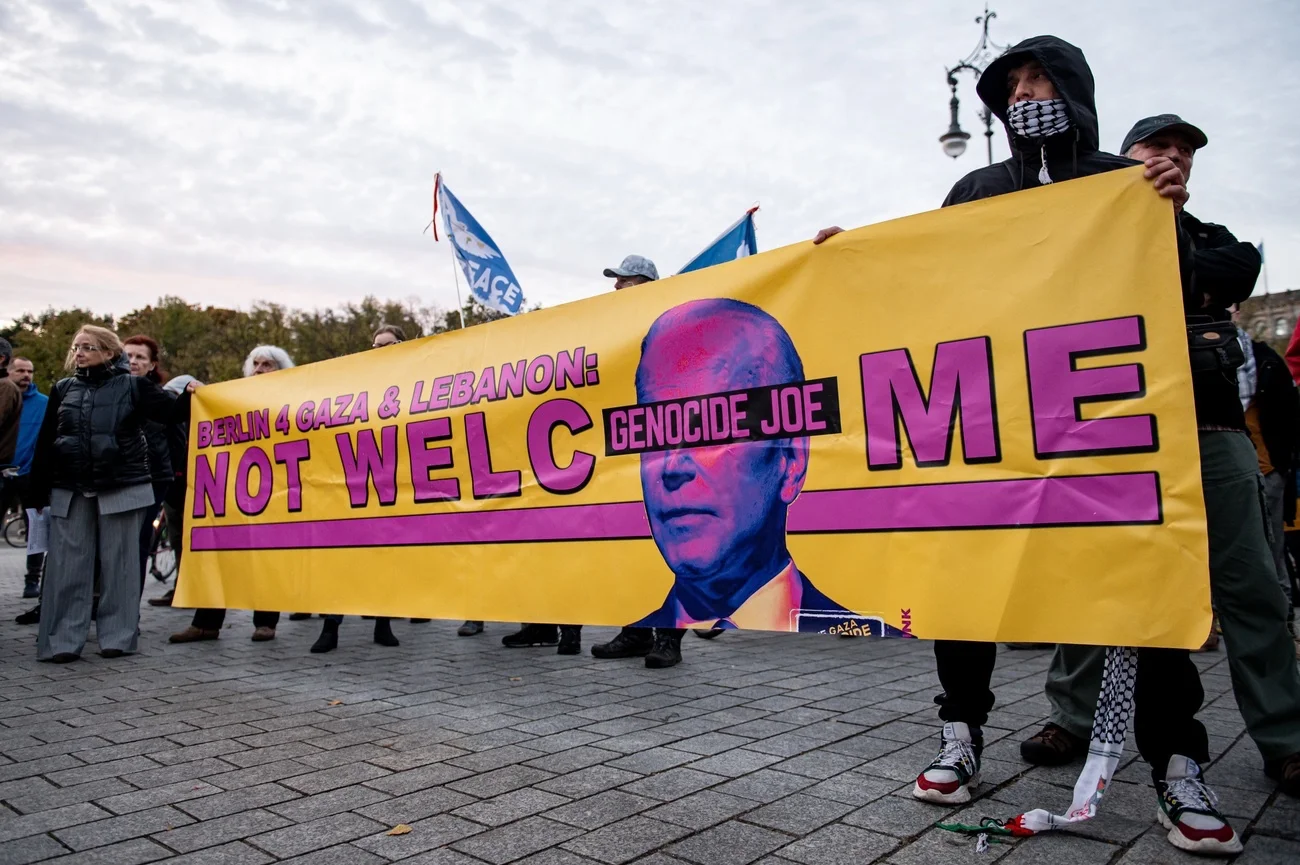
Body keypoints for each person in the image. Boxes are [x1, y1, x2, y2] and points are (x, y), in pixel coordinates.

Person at [815, 40, 1244, 854]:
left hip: (1104, 427)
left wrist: (1166, 211)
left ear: (1075, 90)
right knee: (968, 582)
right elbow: (924, 281)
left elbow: (1191, 276)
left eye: (1040, 79)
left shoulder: (1124, 182)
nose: (1026, 93)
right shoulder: (976, 189)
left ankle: (1178, 766)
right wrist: (853, 263)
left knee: (1141, 589)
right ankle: (960, 734)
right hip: (996, 427)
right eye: (1011, 84)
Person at [1020, 115, 1300, 808]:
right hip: (1111, 432)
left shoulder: (1213, 241)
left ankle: (1286, 737)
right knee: (1094, 579)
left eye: (1184, 153)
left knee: (1250, 583)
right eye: (1158, 148)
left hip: (1209, 427)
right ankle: (1071, 717)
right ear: (1124, 157)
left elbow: (1223, 272)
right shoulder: (1082, 233)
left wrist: (1165, 224)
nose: (1173, 157)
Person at [501, 256, 666, 658]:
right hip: (614, 455)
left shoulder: (663, 325)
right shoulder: (609, 330)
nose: (614, 289)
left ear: (644, 284)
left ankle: (666, 640)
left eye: (622, 281)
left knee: (658, 547)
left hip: (654, 451)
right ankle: (637, 631)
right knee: (628, 549)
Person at [27, 326, 198, 662]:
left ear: (108, 352)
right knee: (67, 566)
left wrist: (192, 394)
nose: (79, 353)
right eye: (76, 347)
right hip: (70, 487)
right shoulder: (63, 389)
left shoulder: (134, 387)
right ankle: (62, 640)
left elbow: (173, 413)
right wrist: (37, 490)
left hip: (123, 485)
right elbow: (47, 442)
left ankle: (118, 637)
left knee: (120, 564)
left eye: (88, 347)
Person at [170, 345, 293, 644]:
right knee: (217, 552)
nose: (260, 369)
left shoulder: (291, 399)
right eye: (256, 363)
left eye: (268, 364)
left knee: (266, 556)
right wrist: (198, 395)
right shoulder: (233, 395)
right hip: (229, 487)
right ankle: (206, 623)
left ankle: (266, 621)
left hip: (272, 488)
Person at [308, 325, 416, 653]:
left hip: (393, 480)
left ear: (403, 346)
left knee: (386, 556)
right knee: (342, 555)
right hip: (354, 478)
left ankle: (383, 623)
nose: (379, 349)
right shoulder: (353, 380)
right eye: (375, 344)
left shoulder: (417, 379)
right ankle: (331, 626)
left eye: (388, 344)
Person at [122, 336, 175, 597]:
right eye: (127, 355)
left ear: (152, 365)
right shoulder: (105, 392)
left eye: (140, 357)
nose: (132, 361)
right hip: (113, 478)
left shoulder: (161, 399)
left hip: (151, 479)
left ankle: (128, 610)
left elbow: (176, 440)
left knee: (137, 545)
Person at [4, 356, 48, 598]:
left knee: (36, 530)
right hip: (2, 473)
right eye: (20, 370)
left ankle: (32, 581)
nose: (26, 375)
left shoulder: (44, 404)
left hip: (31, 475)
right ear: (8, 371)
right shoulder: (3, 399)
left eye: (30, 371)